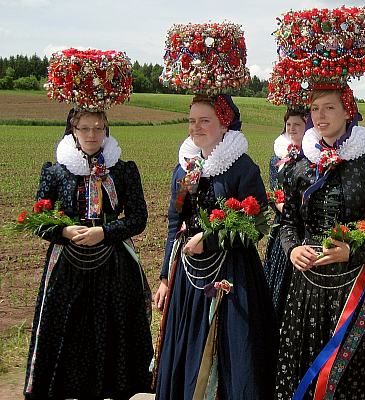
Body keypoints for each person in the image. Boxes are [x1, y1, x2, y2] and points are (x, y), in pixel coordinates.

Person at [153, 23, 276, 399]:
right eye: (191, 120)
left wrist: (212, 237)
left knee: (233, 357)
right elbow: (176, 221)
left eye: (204, 120)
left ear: (224, 123)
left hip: (233, 277)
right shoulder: (184, 167)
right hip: (189, 278)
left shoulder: (243, 168)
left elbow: (256, 225)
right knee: (187, 356)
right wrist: (163, 277)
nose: (196, 128)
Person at [25, 49, 153, 400]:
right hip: (67, 266)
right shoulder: (55, 171)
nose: (93, 133)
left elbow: (138, 218)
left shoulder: (123, 170)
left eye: (99, 127)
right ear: (73, 130)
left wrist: (105, 232)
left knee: (113, 332)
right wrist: (64, 231)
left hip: (114, 266)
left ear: (107, 130)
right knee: (69, 331)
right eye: (85, 127)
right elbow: (39, 220)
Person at [274, 86, 365, 399]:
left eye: (329, 108)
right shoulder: (299, 167)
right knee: (303, 363)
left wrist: (353, 251)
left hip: (353, 285)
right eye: (315, 109)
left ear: (348, 112)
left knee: (351, 372)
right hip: (307, 286)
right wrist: (293, 249)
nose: (320, 116)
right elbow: (287, 223)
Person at [264, 107, 307, 323]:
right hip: (285, 223)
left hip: (308, 224)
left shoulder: (314, 157)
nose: (292, 128)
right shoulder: (277, 159)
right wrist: (288, 210)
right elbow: (275, 193)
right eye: (289, 124)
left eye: (297, 125)